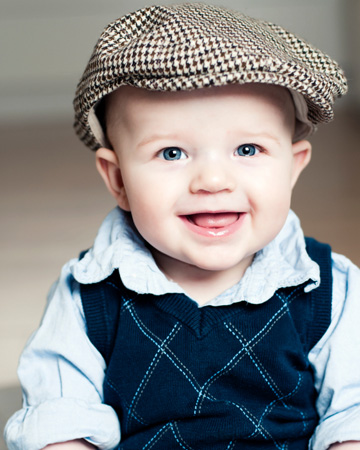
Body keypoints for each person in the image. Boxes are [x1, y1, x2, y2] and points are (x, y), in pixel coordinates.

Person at [4, 3, 360, 450]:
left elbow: (354, 416)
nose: (212, 181)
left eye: (247, 149)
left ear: (293, 166)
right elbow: (59, 418)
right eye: (172, 153)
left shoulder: (331, 291)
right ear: (118, 180)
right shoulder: (87, 298)